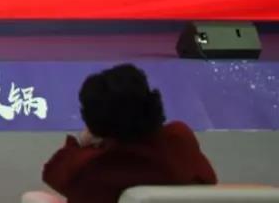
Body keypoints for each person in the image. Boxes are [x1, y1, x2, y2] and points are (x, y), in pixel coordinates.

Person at [42, 64, 216, 203]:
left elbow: (54, 173)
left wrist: (80, 143)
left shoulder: (95, 166)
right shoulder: (179, 139)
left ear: (95, 123)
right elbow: (208, 180)